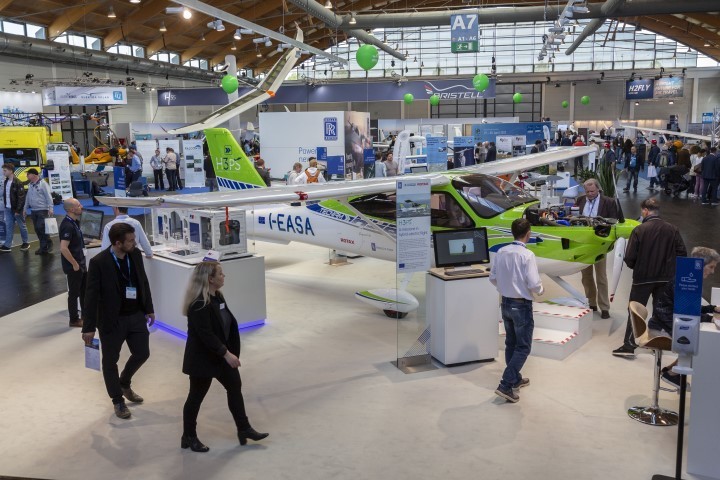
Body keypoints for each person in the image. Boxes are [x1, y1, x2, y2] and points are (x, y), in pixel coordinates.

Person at [180, 262, 269, 452]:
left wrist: (228, 351)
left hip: (221, 355)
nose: (223, 276)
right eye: (220, 274)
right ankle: (189, 436)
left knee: (234, 387)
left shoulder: (218, 296)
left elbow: (225, 325)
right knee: (196, 397)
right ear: (210, 279)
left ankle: (244, 429)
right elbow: (206, 335)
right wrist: (227, 354)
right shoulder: (198, 304)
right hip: (203, 359)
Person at [82, 223, 155, 419]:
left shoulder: (135, 255)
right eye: (130, 240)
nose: (134, 243)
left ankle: (124, 382)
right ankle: (117, 400)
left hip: (136, 315)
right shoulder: (99, 262)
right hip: (111, 320)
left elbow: (143, 282)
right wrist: (88, 327)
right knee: (110, 361)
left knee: (142, 353)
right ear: (117, 243)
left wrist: (149, 308)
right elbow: (90, 296)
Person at [613, 198, 687, 357]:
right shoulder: (672, 229)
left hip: (643, 278)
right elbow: (682, 253)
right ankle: (656, 343)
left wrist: (637, 266)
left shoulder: (639, 230)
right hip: (666, 279)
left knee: (635, 312)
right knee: (660, 311)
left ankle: (629, 345)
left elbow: (630, 257)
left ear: (645, 210)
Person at [647, 246, 720, 388]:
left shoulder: (685, 280)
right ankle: (673, 374)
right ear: (701, 264)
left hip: (664, 324)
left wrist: (712, 309)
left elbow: (689, 309)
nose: (712, 272)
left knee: (696, 338)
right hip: (660, 329)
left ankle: (671, 370)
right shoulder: (683, 283)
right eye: (711, 267)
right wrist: (710, 318)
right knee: (700, 343)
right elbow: (685, 313)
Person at [489, 218, 544, 403]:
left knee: (511, 343)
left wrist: (505, 288)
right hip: (521, 306)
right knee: (523, 347)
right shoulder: (527, 255)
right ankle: (505, 385)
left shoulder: (501, 251)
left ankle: (515, 379)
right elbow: (534, 283)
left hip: (505, 303)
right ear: (528, 234)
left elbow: (492, 277)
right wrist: (540, 290)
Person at [575, 179, 618, 319]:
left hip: (599, 244)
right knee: (586, 277)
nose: (590, 194)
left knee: (601, 277)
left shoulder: (609, 202)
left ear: (598, 189)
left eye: (592, 191)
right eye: (587, 192)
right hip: (583, 244)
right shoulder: (580, 200)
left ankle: (604, 307)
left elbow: (614, 221)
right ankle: (591, 303)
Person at [59, 198, 86, 328]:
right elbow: (63, 248)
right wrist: (74, 264)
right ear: (71, 209)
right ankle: (74, 320)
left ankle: (85, 316)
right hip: (74, 266)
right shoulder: (67, 225)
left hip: (80, 263)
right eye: (78, 205)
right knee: (74, 293)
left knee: (83, 291)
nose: (82, 206)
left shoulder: (74, 222)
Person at [23, 168, 54, 255]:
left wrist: (51, 208)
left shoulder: (43, 184)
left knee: (41, 227)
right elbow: (28, 198)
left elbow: (48, 196)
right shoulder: (30, 185)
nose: (27, 176)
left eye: (28, 174)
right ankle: (44, 246)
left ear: (34, 175)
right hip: (33, 210)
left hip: (42, 210)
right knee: (37, 229)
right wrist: (25, 209)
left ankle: (46, 244)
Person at [1, 163, 29, 252]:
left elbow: (21, 198)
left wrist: (18, 210)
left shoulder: (18, 182)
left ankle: (26, 242)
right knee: (9, 226)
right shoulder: (6, 181)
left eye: (5, 170)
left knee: (22, 226)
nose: (3, 172)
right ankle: (7, 245)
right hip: (8, 208)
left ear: (11, 171)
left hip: (16, 209)